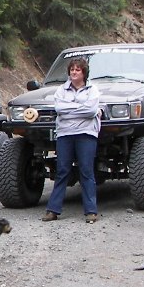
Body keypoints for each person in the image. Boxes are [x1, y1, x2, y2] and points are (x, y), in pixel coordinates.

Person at [42, 56, 102, 224]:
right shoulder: (61, 90)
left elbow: (91, 111)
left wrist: (73, 109)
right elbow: (59, 109)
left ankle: (91, 211)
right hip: (65, 134)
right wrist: (81, 108)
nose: (74, 72)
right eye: (72, 70)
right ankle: (53, 210)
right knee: (62, 171)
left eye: (78, 70)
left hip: (86, 134)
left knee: (86, 171)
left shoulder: (93, 90)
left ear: (84, 73)